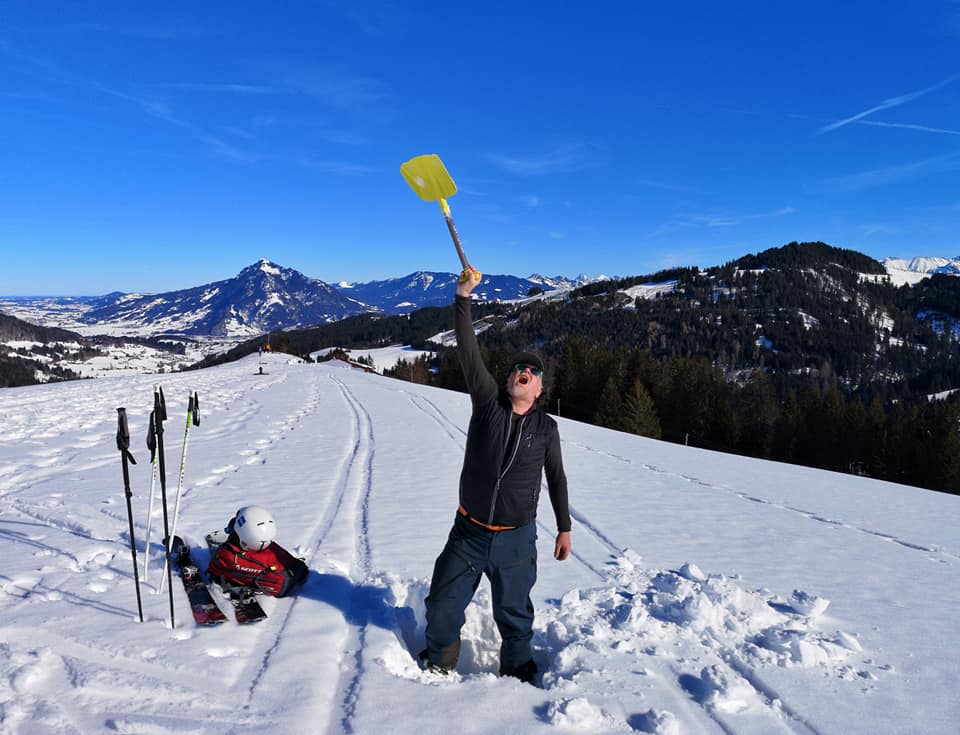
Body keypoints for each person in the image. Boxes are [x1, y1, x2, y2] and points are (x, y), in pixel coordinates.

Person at [421, 265, 572, 684]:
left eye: (533, 370)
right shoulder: (488, 403)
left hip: (516, 538)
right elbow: (469, 351)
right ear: (508, 381)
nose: (523, 370)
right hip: (468, 531)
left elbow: (557, 479)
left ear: (540, 389)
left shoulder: (547, 429)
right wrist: (463, 298)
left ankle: (518, 670)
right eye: (517, 368)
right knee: (443, 605)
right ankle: (438, 660)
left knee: (515, 612)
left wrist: (564, 528)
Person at [207, 505, 308, 598]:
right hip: (293, 570)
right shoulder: (262, 539)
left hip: (281, 581)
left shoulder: (231, 552)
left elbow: (215, 567)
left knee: (222, 563)